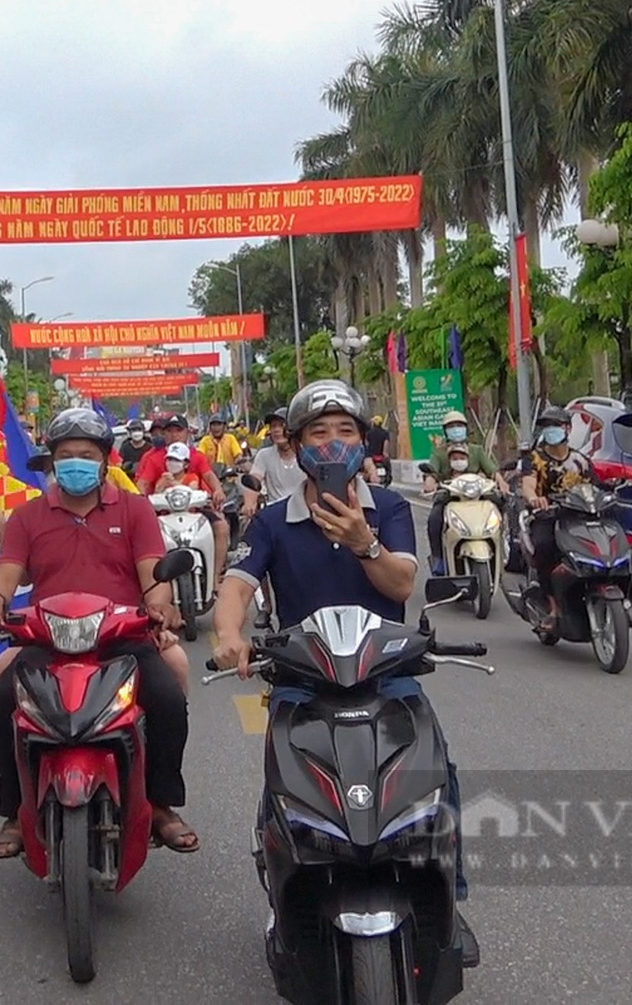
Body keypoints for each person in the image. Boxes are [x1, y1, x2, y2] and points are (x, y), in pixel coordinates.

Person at [209, 379, 473, 945]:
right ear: (298, 446)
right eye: (319, 433)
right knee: (283, 784)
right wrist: (229, 636)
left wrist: (364, 542)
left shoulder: (394, 508)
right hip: (303, 678)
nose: (332, 443)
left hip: (388, 673)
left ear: (363, 442)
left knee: (435, 774)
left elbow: (402, 581)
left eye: (345, 431)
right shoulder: (275, 521)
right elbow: (236, 585)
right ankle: (283, 886)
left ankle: (450, 892)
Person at [0, 406, 197, 860]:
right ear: (52, 462)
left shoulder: (133, 510)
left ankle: (161, 804)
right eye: (67, 455)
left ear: (105, 461)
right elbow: (4, 577)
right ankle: (14, 811)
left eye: (87, 454)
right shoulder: (27, 517)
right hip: (46, 641)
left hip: (120, 637)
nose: (76, 463)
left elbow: (154, 574)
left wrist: (160, 607)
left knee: (169, 700)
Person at [519, 406, 593, 636]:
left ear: (568, 429)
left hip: (579, 518)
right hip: (548, 517)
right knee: (544, 547)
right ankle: (552, 607)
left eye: (556, 425)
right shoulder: (535, 459)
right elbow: (528, 486)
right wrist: (535, 500)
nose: (551, 430)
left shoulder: (581, 460)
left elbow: (595, 488)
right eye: (547, 426)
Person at [137, 412, 229, 573]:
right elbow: (143, 483)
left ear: (187, 432)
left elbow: (208, 475)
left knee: (221, 527)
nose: (174, 435)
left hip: (195, 509)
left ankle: (214, 577)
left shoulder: (197, 456)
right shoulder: (154, 458)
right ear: (164, 434)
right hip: (163, 512)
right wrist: (140, 499)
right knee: (142, 536)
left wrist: (218, 490)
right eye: (170, 431)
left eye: (178, 430)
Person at [420, 412, 504, 572]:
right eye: (451, 427)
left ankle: (501, 548)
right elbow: (431, 472)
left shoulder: (476, 450)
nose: (456, 430)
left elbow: (492, 470)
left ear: (466, 428)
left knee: (499, 507)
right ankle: (438, 558)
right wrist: (430, 482)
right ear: (445, 431)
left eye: (459, 426)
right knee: (435, 518)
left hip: (477, 497)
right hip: (450, 497)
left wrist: (501, 482)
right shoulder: (439, 453)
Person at [251, 409, 305, 504]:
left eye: (281, 426)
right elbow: (254, 480)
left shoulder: (306, 454)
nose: (276, 430)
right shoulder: (264, 455)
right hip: (275, 510)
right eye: (273, 426)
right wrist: (249, 502)